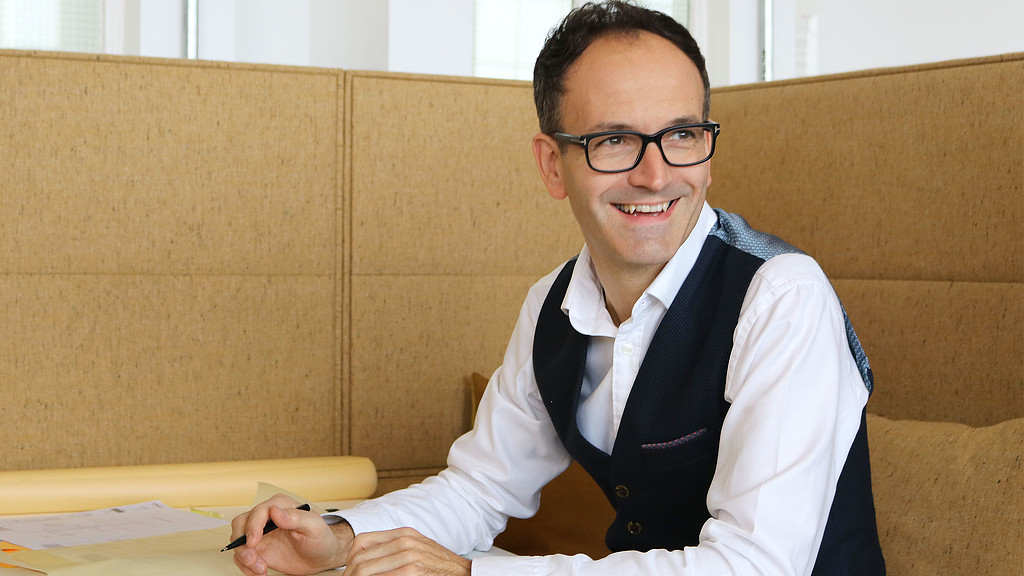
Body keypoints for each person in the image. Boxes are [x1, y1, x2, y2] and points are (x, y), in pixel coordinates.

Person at [230, 2, 886, 575]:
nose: (656, 175)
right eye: (614, 140)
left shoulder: (781, 296)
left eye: (682, 135)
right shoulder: (555, 305)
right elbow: (480, 491)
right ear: (552, 164)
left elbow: (755, 568)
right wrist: (340, 539)